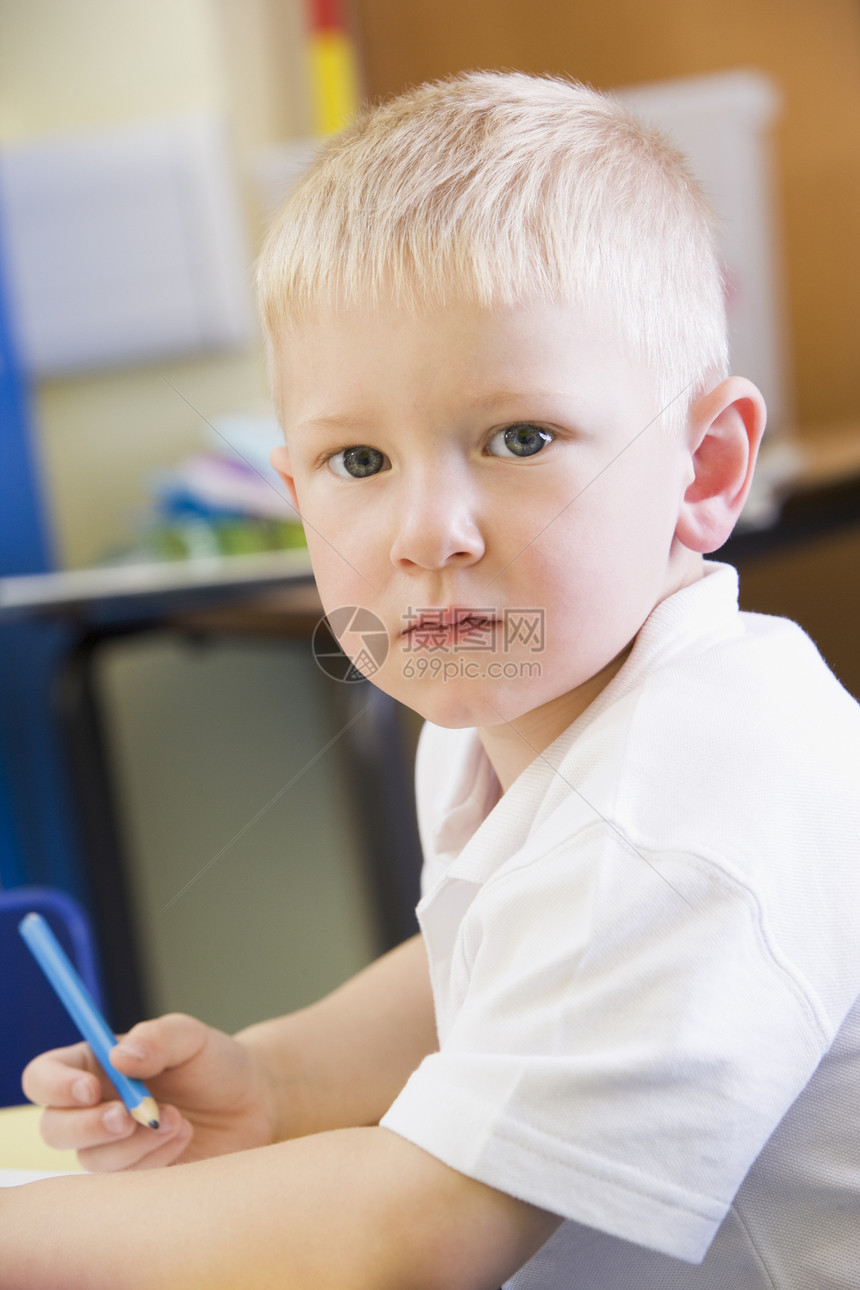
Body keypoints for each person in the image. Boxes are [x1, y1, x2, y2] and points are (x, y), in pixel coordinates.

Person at [6, 71, 860, 1288]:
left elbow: (408, 1240)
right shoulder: (500, 708)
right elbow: (512, 957)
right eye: (358, 458)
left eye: (517, 439)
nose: (426, 532)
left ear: (704, 466)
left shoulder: (692, 789)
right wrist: (280, 1076)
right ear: (297, 500)